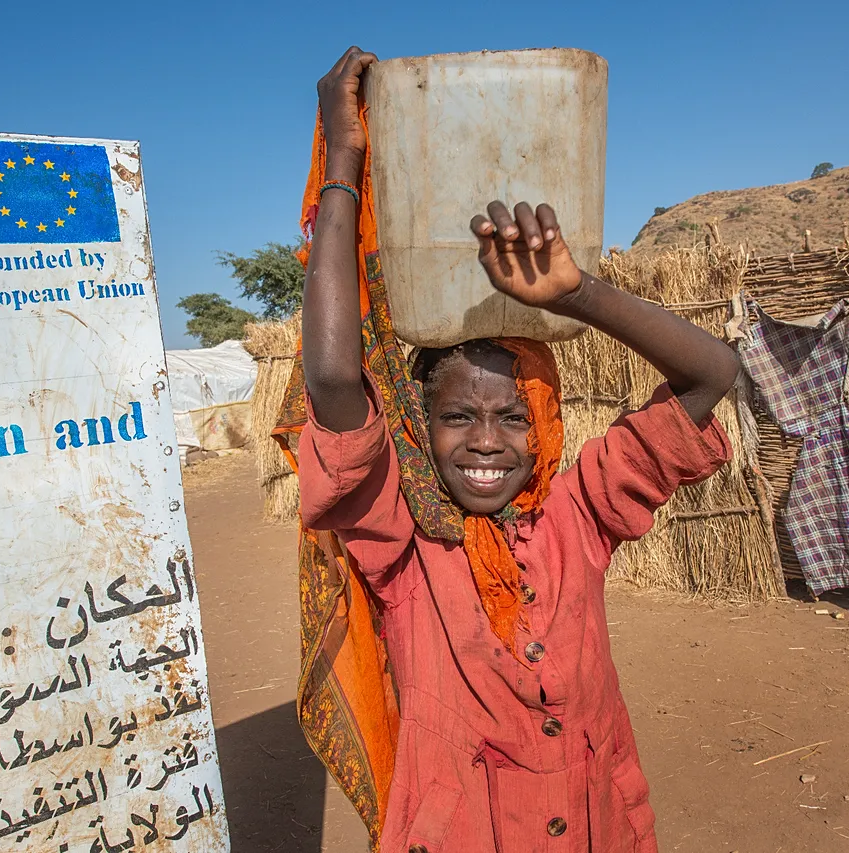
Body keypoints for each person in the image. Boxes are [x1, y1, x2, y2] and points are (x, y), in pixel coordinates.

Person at [295, 46, 740, 853]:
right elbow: (331, 376)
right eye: (458, 416)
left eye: (511, 417)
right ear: (421, 426)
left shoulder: (580, 515)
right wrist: (343, 161)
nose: (486, 441)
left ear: (545, 429)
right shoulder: (406, 543)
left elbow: (713, 375)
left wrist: (578, 294)